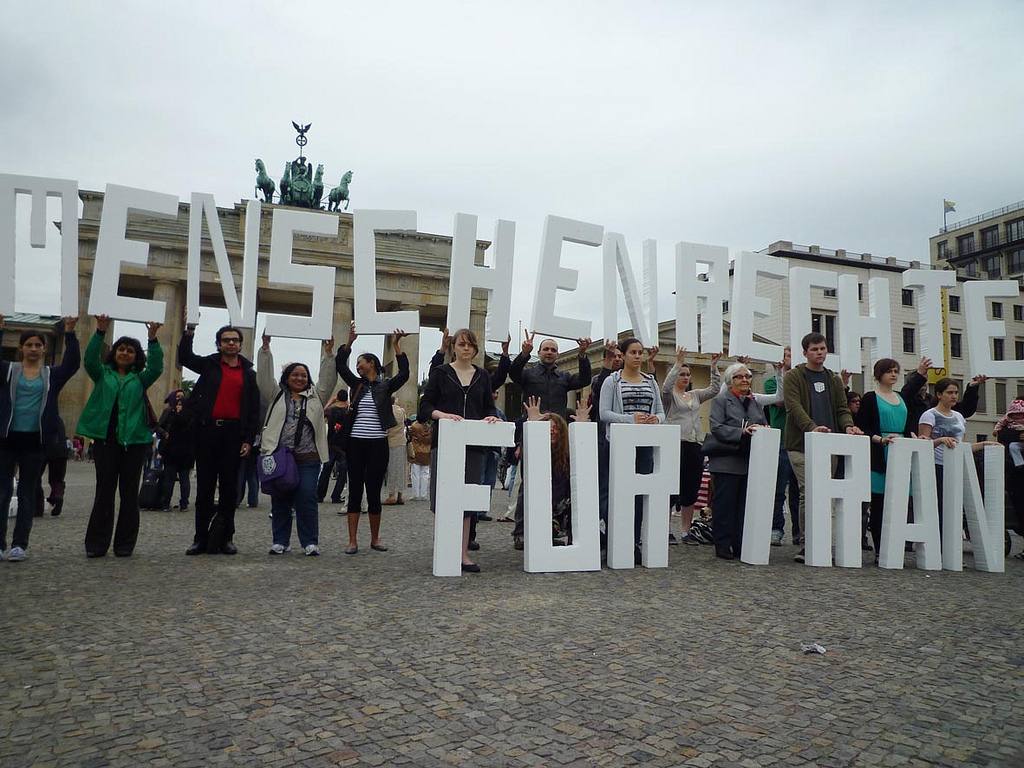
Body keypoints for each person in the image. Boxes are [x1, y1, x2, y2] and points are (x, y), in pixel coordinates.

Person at [77, 315, 163, 557]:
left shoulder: (140, 379)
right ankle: (96, 544)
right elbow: (89, 359)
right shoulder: (102, 374)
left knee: (129, 494)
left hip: (135, 442)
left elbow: (157, 367)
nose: (125, 353)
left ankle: (124, 545)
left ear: (138, 356)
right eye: (121, 349)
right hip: (106, 440)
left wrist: (153, 339)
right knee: (104, 492)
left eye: (131, 351)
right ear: (114, 353)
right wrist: (100, 331)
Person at [419, 328, 502, 572]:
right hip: (445, 441)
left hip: (473, 445)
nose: (466, 348)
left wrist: (492, 417)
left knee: (467, 500)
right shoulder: (441, 373)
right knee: (442, 497)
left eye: (470, 345)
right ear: (453, 347)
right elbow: (426, 405)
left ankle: (463, 554)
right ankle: (444, 549)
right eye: (461, 344)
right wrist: (441, 415)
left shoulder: (483, 376)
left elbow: (488, 405)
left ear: (475, 349)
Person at [0, 315, 80, 562]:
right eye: (29, 344)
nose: (33, 348)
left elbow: (72, 364)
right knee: (2, 493)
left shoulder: (51, 375)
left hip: (35, 439)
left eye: (38, 345)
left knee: (26, 493)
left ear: (44, 349)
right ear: (21, 348)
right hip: (6, 437)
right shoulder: (8, 370)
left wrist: (69, 332)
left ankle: (19, 544)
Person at [178, 317, 260, 555]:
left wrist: (248, 438)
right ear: (218, 344)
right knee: (204, 487)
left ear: (241, 345)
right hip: (207, 431)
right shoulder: (209, 365)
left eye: (235, 340)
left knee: (229, 489)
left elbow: (253, 409)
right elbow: (185, 358)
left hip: (234, 434)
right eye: (226, 340)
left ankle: (226, 537)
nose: (231, 344)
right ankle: (200, 538)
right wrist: (189, 331)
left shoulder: (248, 373)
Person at [782, 332, 863, 563]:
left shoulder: (833, 379)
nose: (819, 353)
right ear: (805, 352)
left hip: (829, 446)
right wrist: (812, 427)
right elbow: (793, 407)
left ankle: (825, 542)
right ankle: (808, 544)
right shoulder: (794, 376)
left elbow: (841, 408)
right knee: (809, 490)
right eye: (815, 349)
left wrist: (848, 426)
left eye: (823, 349)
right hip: (801, 445)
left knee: (826, 495)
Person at [256, 333, 337, 556]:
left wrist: (329, 356)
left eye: (303, 375)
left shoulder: (316, 397)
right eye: (295, 374)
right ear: (287, 377)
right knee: (280, 498)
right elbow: (263, 378)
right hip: (280, 456)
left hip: (308, 457)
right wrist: (265, 350)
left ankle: (310, 541)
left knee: (307, 497)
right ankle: (280, 540)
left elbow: (329, 380)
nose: (300, 378)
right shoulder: (275, 395)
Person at [336, 322, 410, 554]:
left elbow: (405, 374)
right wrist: (349, 342)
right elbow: (340, 365)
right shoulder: (356, 384)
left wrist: (396, 345)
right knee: (355, 489)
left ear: (372, 364)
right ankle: (352, 541)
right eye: (356, 364)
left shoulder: (385, 386)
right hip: (356, 442)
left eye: (361, 363)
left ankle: (375, 539)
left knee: (374, 490)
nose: (357, 367)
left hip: (379, 443)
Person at [599, 337, 665, 563]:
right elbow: (604, 413)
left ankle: (634, 541)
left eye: (640, 352)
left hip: (644, 444)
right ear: (624, 355)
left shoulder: (651, 382)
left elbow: (661, 412)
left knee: (639, 494)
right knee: (613, 492)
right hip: (618, 444)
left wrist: (656, 419)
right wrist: (630, 419)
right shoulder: (613, 381)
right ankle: (610, 539)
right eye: (633, 352)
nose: (638, 356)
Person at [918, 378, 999, 538]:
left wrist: (983, 444)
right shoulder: (929, 415)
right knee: (940, 507)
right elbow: (922, 445)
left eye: (955, 392)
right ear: (939, 394)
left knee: (954, 509)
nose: (954, 396)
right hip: (937, 466)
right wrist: (940, 440)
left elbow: (961, 445)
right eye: (949, 392)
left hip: (956, 466)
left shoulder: (959, 417)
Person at [707, 362, 771, 560]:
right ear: (730, 381)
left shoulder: (755, 402)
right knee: (725, 504)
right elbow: (716, 426)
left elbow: (763, 421)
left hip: (749, 460)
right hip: (727, 460)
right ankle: (723, 544)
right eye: (740, 377)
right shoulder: (721, 400)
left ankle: (740, 543)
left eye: (748, 376)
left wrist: (763, 428)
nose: (745, 380)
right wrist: (740, 431)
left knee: (743, 505)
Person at [855, 358, 914, 562]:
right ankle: (880, 547)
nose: (894, 375)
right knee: (879, 503)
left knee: (900, 502)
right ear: (879, 374)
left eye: (896, 371)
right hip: (880, 451)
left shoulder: (902, 397)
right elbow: (863, 425)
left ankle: (897, 544)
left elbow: (908, 426)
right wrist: (880, 440)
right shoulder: (871, 397)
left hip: (901, 450)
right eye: (889, 371)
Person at [662, 347, 722, 545]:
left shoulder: (695, 395)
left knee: (691, 489)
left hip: (694, 445)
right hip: (674, 444)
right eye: (682, 374)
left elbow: (714, 389)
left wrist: (713, 366)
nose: (685, 377)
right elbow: (665, 387)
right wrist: (678, 363)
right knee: (671, 488)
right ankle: (667, 530)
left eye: (688, 374)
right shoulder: (670, 397)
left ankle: (686, 531)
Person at [509, 331, 592, 421]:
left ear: (557, 355)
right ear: (538, 353)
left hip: (557, 427)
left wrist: (582, 354)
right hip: (533, 425)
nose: (549, 352)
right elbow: (513, 373)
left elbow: (585, 380)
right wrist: (524, 354)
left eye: (553, 350)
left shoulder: (564, 377)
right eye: (546, 349)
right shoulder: (528, 374)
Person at [763, 348, 800, 546]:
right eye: (788, 355)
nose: (792, 359)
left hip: (798, 440)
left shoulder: (802, 381)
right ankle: (776, 527)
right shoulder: (771, 382)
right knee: (778, 489)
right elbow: (781, 401)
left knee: (797, 490)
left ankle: (798, 531)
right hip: (781, 440)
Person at [590, 341, 624, 544]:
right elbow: (599, 390)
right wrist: (607, 366)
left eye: (620, 356)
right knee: (605, 487)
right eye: (614, 356)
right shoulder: (600, 379)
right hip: (605, 439)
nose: (617, 359)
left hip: (628, 440)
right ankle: (603, 534)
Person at [157, 394, 194, 511]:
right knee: (184, 479)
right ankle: (184, 504)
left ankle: (166, 503)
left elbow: (171, 436)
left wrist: (161, 452)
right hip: (187, 454)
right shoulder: (192, 419)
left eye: (179, 404)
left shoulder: (175, 418)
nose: (177, 406)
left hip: (173, 452)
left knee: (169, 479)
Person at [317, 391, 349, 505]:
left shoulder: (331, 411)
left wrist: (330, 402)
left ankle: (319, 495)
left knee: (326, 469)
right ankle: (336, 496)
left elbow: (322, 412)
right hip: (344, 445)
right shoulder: (348, 411)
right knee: (343, 471)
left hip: (331, 443)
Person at [36, 415, 70, 518]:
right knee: (56, 479)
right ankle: (58, 496)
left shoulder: (40, 418)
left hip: (44, 449)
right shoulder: (59, 419)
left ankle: (38, 508)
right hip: (60, 451)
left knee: (35, 478)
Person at [383, 396, 408, 505]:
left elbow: (385, 428)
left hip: (391, 442)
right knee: (401, 469)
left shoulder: (387, 411)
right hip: (402, 442)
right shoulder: (401, 411)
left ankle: (391, 495)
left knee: (392, 469)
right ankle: (400, 495)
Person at [407, 417, 432, 500]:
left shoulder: (414, 426)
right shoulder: (429, 427)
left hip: (416, 451)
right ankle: (423, 494)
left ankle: (416, 495)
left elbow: (409, 435)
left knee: (415, 474)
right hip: (427, 451)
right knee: (425, 474)